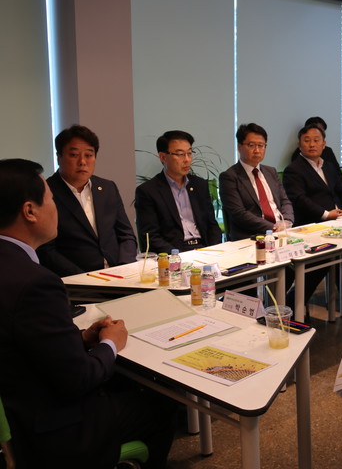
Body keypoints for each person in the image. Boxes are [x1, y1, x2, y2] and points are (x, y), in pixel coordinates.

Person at [0, 158, 176, 469]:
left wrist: (82, 338)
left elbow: (26, 341)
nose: (56, 207)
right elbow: (80, 378)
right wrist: (111, 343)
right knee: (162, 401)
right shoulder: (36, 283)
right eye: (51, 199)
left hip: (19, 405)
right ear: (30, 211)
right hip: (55, 428)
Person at [38, 125, 137, 276]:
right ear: (59, 157)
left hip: (118, 275)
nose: (83, 162)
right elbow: (46, 250)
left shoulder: (107, 188)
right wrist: (85, 279)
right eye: (74, 155)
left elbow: (126, 234)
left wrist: (124, 267)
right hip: (76, 280)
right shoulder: (46, 192)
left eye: (89, 155)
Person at [283, 124, 342, 308]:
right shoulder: (294, 169)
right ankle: (292, 304)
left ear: (324, 144)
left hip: (338, 223)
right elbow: (299, 199)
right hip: (311, 225)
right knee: (323, 260)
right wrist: (326, 214)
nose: (312, 144)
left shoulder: (328, 166)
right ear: (299, 145)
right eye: (307, 141)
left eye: (316, 140)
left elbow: (341, 190)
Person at [135, 130, 223, 253]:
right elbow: (151, 237)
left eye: (189, 153)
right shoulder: (148, 191)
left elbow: (212, 226)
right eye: (180, 154)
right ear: (163, 157)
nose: (187, 159)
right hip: (175, 253)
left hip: (205, 249)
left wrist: (213, 250)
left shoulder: (199, 185)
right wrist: (178, 256)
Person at [219, 123, 294, 241]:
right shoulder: (229, 177)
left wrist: (287, 221)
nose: (257, 150)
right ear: (239, 147)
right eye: (251, 145)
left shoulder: (271, 172)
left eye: (261, 145)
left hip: (282, 232)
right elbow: (239, 214)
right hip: (253, 236)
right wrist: (273, 227)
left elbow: (285, 201)